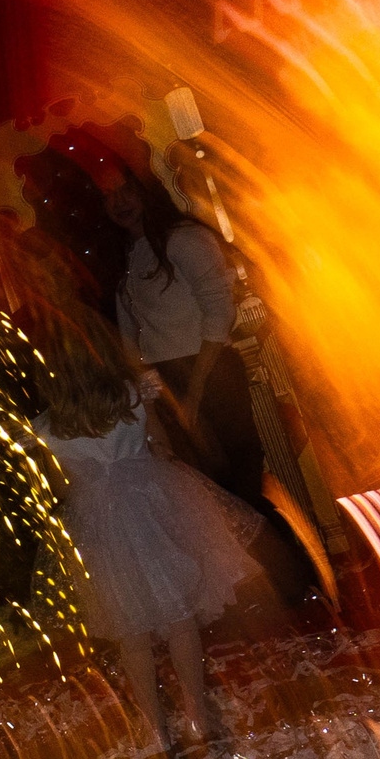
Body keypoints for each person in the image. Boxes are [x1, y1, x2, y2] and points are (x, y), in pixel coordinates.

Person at [31, 311, 263, 759]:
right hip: (154, 505)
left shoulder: (46, 427)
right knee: (180, 619)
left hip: (99, 525)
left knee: (130, 632)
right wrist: (149, 459)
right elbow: (161, 444)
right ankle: (196, 715)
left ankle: (155, 728)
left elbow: (58, 485)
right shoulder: (134, 393)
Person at [103, 168, 270, 511]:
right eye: (109, 195)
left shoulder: (185, 239)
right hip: (167, 378)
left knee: (239, 486)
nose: (118, 202)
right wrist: (151, 391)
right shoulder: (128, 253)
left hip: (210, 370)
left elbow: (218, 312)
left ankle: (273, 557)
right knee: (204, 491)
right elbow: (130, 335)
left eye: (126, 190)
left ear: (146, 191)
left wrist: (194, 390)